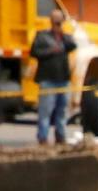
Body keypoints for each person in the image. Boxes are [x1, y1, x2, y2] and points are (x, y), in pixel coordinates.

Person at [28, 16, 74, 145]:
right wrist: (51, 51)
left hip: (63, 79)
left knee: (62, 110)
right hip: (47, 80)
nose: (58, 25)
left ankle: (60, 136)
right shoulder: (42, 36)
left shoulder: (65, 37)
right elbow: (34, 52)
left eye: (60, 22)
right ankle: (43, 137)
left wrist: (62, 34)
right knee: (45, 111)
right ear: (51, 22)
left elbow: (73, 45)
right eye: (56, 22)